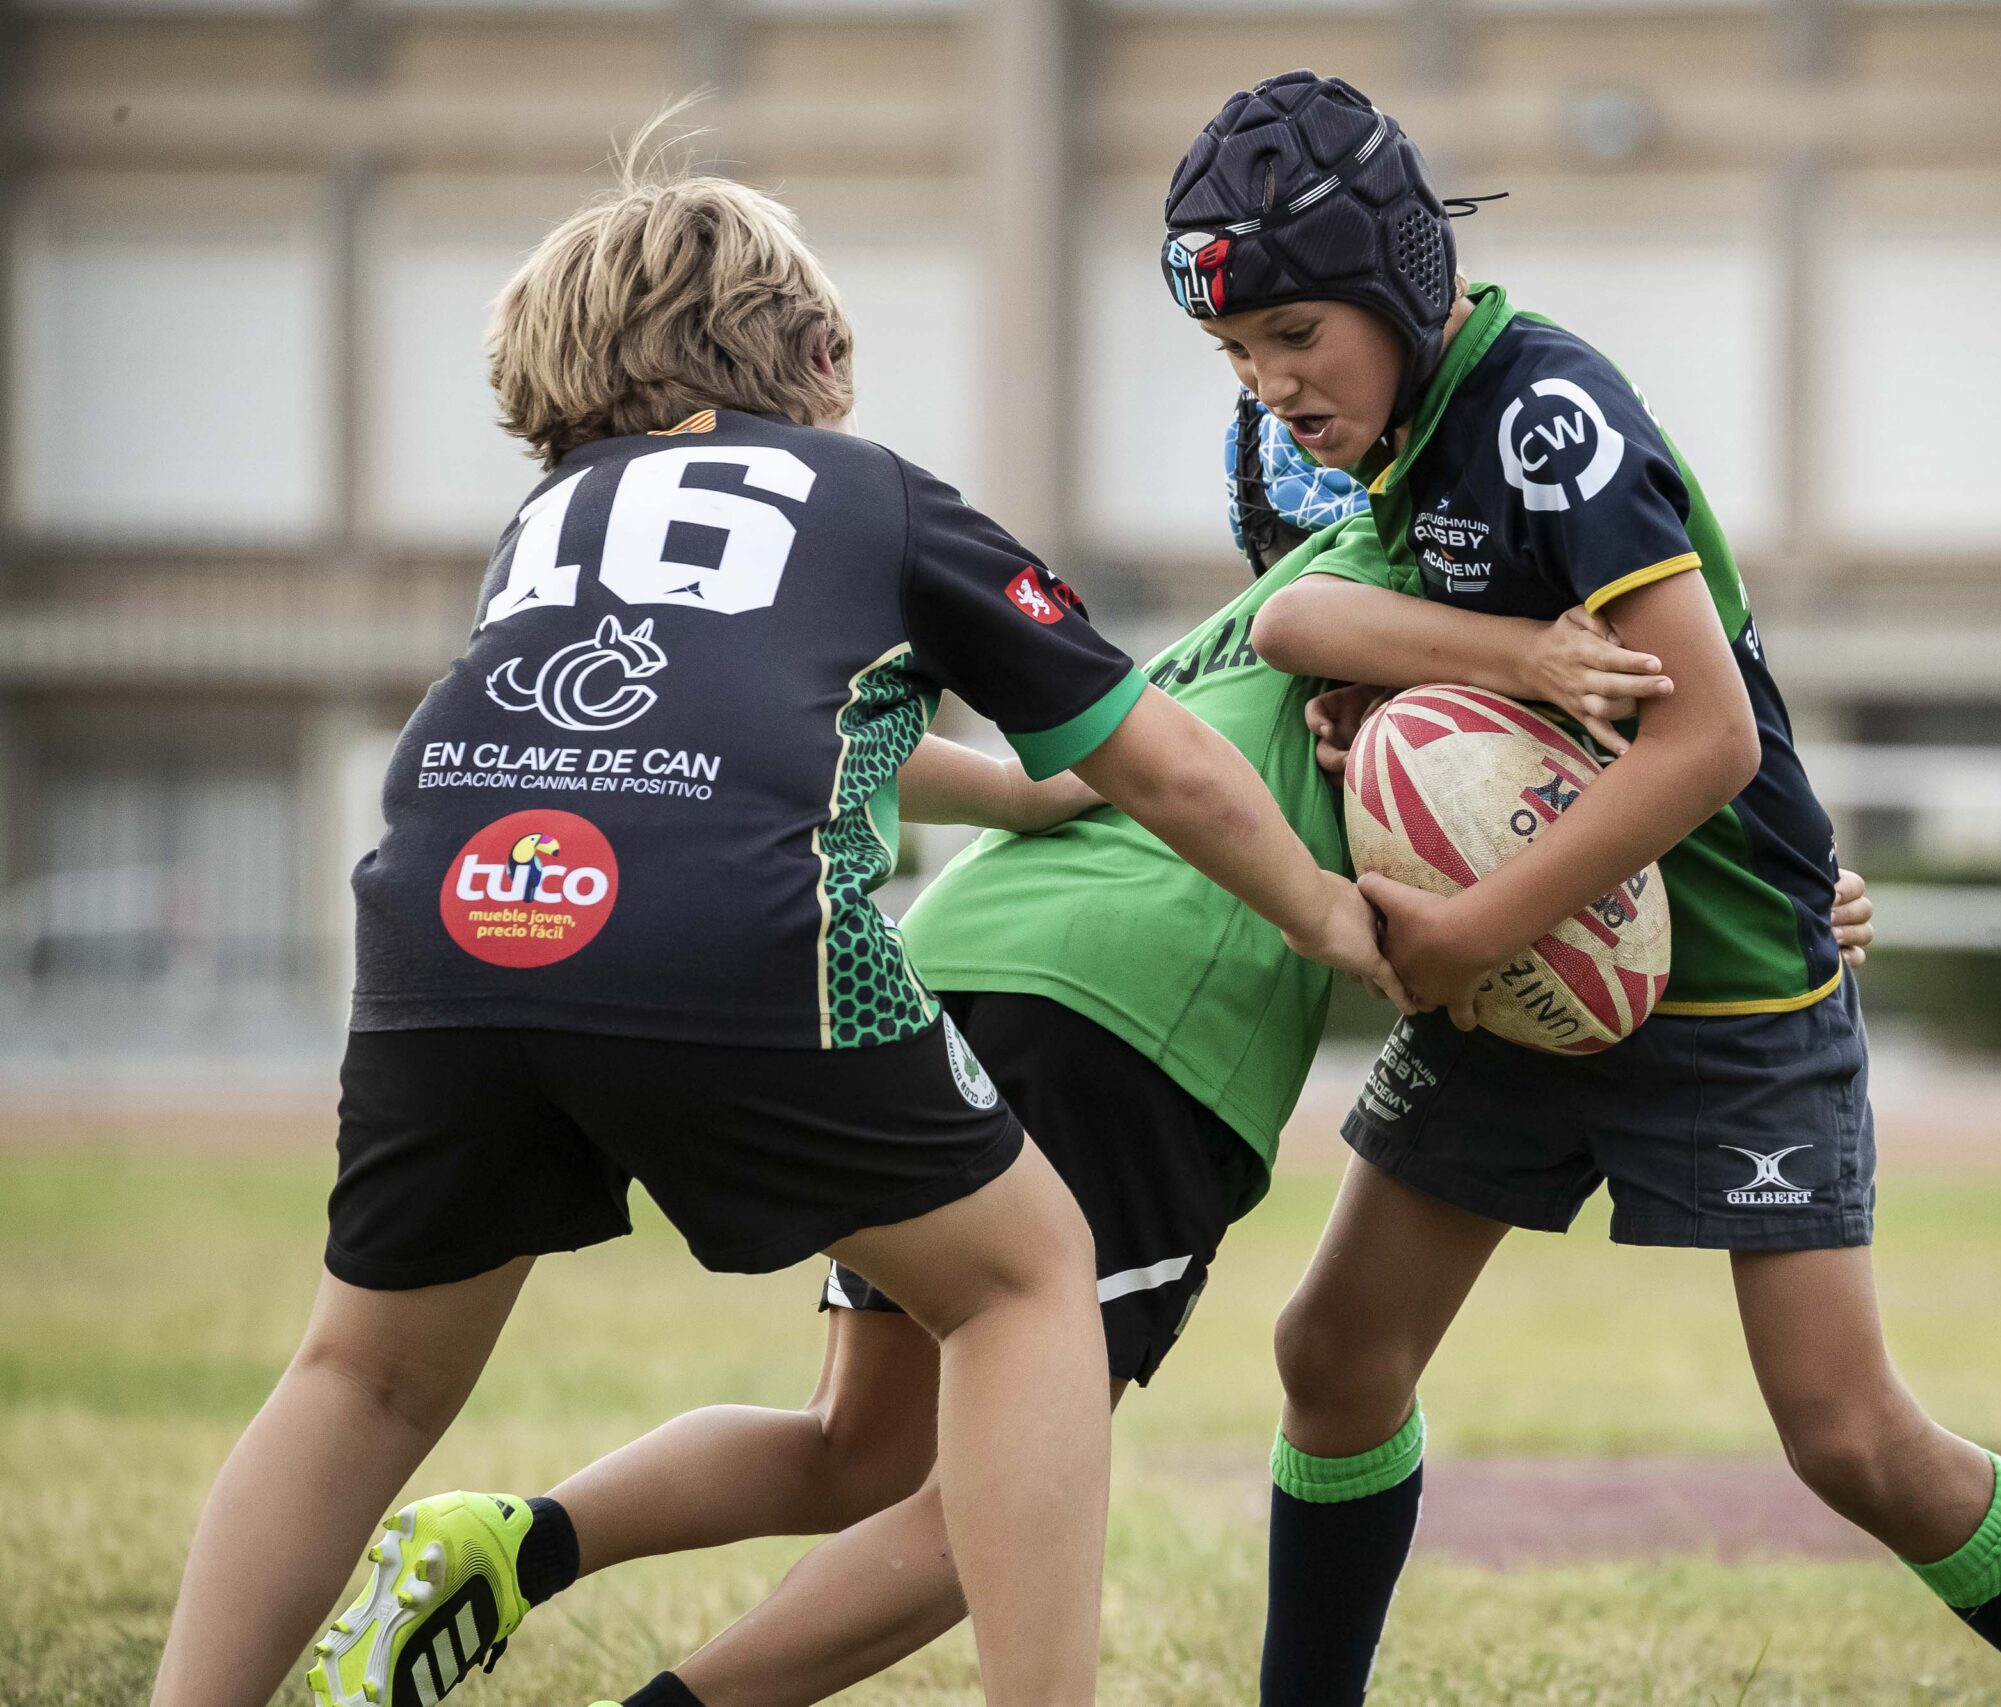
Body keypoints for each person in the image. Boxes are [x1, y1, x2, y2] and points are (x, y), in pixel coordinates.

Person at [277, 332, 1881, 1707]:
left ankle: (512, 1539)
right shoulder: (1415, 583)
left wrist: (1810, 893)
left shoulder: (1226, 649)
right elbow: (1484, 742)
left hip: (950, 959)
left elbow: (1044, 771)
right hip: (1135, 1026)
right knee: (1006, 1492)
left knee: (863, 1444)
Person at [151, 141, 1404, 1707]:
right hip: (720, 935)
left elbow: (721, 728)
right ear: (819, 356)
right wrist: (1328, 914)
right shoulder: (873, 492)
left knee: (364, 1372)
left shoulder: (552, 516)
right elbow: (1158, 756)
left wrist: (1013, 805)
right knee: (1025, 1287)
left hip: (448, 917)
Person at [1161, 70, 2001, 1707]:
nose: (1272, 382)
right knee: (1335, 1353)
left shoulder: (1541, 409)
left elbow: (1710, 739)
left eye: (1297, 332)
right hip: (1536, 975)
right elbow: (1318, 635)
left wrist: (1455, 932)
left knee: (1848, 1437)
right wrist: (1447, 709)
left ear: (1394, 278)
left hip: (1723, 982)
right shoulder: (1389, 459)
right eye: (1240, 355)